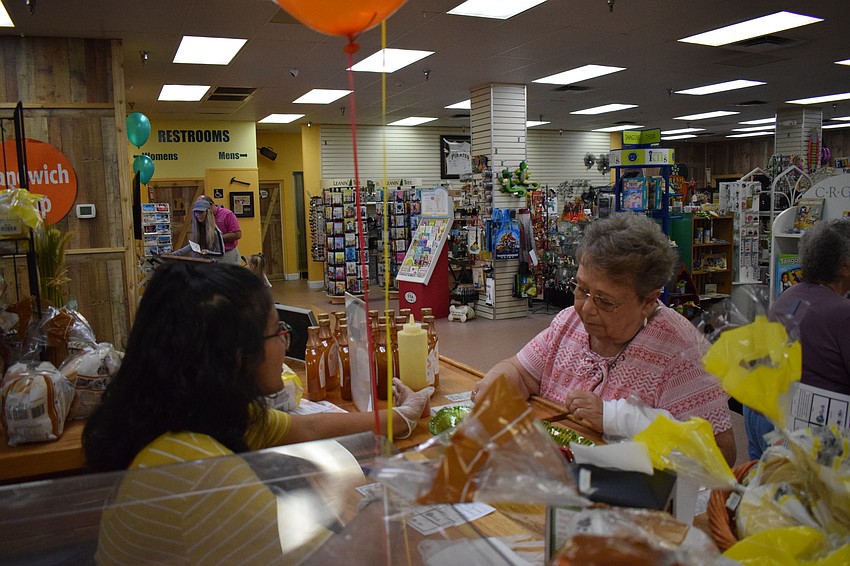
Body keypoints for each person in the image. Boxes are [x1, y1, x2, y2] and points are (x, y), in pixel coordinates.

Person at [83, 261, 431, 562]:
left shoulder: (188, 414)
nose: (285, 341)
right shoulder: (200, 472)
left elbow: (307, 428)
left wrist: (403, 415)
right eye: (277, 331)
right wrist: (395, 495)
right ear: (236, 354)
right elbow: (335, 560)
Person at [472, 213, 736, 465]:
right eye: (582, 289)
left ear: (648, 301)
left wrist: (617, 420)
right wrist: (499, 382)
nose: (586, 309)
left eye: (605, 301)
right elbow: (522, 372)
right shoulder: (568, 321)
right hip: (547, 470)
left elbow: (719, 455)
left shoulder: (682, 351)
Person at [745, 218, 850, 460]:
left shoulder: (790, 295)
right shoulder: (841, 312)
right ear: (844, 266)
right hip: (805, 426)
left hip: (763, 418)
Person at [201, 194, 242, 264]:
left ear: (210, 205)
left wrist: (216, 238)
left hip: (227, 254)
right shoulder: (203, 216)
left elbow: (237, 234)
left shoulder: (227, 214)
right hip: (211, 254)